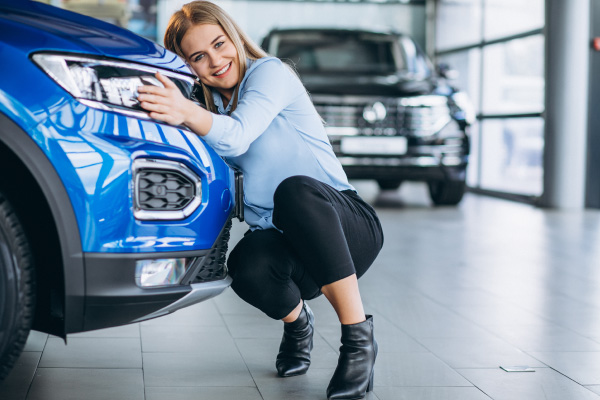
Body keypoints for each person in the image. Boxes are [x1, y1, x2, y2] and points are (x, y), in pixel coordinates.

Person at [137, 2, 384, 399]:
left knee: (295, 191)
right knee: (247, 267)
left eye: (219, 44)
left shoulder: (270, 73)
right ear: (187, 66)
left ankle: (358, 343)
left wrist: (185, 112)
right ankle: (298, 322)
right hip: (285, 237)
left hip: (344, 224)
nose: (216, 61)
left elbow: (237, 135)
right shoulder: (204, 110)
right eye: (199, 56)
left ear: (233, 36)